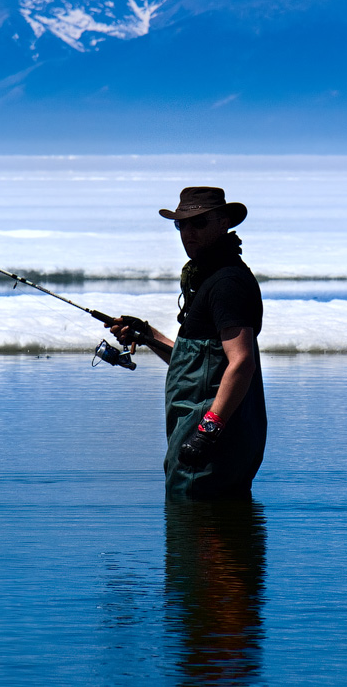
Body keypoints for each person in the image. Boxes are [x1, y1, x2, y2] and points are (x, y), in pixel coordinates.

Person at [107, 187, 267, 500]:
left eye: (200, 223)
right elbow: (199, 362)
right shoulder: (210, 276)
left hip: (210, 441)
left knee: (195, 528)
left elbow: (242, 362)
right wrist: (146, 334)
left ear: (223, 223)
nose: (188, 233)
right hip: (209, 438)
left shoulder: (226, 282)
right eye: (182, 225)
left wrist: (208, 431)